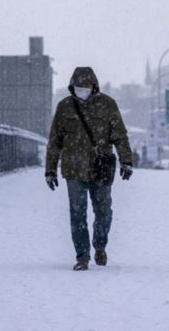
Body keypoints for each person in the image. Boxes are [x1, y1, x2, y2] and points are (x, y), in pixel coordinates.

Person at [45, 67, 133, 271]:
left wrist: (126, 160)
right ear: (72, 87)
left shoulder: (108, 105)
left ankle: (100, 245)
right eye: (78, 87)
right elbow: (54, 141)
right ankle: (82, 256)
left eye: (85, 87)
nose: (81, 90)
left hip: (100, 168)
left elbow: (120, 136)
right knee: (77, 214)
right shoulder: (65, 107)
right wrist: (50, 170)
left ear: (93, 86)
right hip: (73, 169)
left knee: (104, 212)